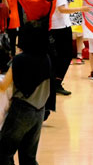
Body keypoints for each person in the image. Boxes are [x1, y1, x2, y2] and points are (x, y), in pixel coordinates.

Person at [0, 22, 51, 164]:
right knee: (29, 157)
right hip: (39, 111)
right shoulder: (46, 58)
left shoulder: (19, 60)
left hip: (21, 110)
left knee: (3, 152)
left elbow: (4, 86)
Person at [50, 0, 90, 95]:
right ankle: (56, 82)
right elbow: (62, 9)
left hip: (59, 26)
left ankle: (55, 81)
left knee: (60, 56)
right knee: (65, 56)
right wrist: (81, 9)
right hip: (61, 27)